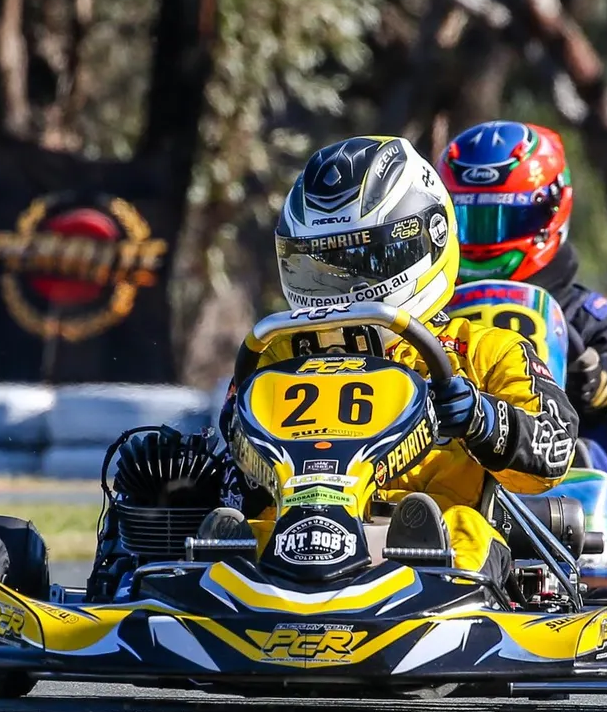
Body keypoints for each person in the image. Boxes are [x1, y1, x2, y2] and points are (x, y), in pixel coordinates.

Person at [242, 135, 579, 579]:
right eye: (319, 267)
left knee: (464, 530)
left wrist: (484, 420)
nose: (339, 286)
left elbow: (553, 453)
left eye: (360, 260)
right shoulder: (277, 352)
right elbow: (237, 472)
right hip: (297, 537)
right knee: (240, 533)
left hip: (431, 547)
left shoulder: (485, 350)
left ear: (428, 238)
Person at [437, 120, 607, 454]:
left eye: (506, 218)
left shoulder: (596, 321)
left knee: (593, 458)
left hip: (563, 484)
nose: (486, 242)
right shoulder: (428, 312)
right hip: (442, 476)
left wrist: (599, 388)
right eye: (470, 221)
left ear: (553, 209)